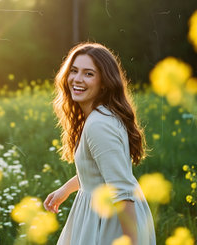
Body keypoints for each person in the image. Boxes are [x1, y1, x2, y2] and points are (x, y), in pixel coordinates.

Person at [44, 42, 156, 245]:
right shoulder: (101, 115)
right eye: (74, 71)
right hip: (98, 212)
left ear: (104, 82)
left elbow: (122, 191)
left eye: (88, 74)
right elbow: (100, 172)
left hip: (109, 222)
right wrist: (66, 190)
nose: (77, 79)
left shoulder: (99, 125)